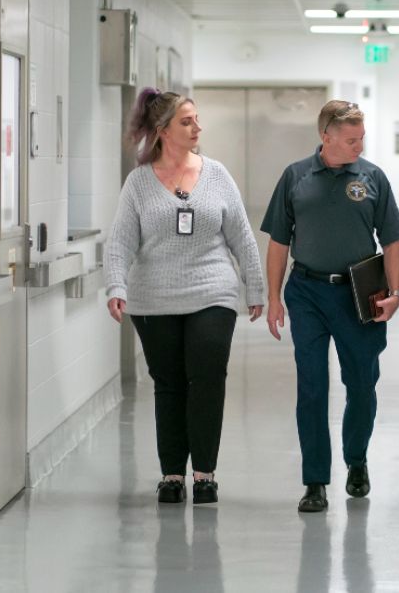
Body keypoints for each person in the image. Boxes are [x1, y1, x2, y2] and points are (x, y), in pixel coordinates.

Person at [106, 88, 265, 505]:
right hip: (154, 297)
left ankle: (205, 474)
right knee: (169, 384)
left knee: (208, 378)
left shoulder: (217, 174)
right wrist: (116, 285)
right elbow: (121, 241)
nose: (197, 127)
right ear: (162, 132)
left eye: (197, 119)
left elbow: (242, 238)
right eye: (187, 121)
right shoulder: (139, 182)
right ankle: (172, 474)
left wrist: (256, 287)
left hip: (213, 291)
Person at [261, 99, 399, 513]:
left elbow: (393, 241)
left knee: (361, 384)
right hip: (306, 291)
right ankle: (315, 481)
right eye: (350, 140)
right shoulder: (295, 177)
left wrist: (395, 293)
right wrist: (274, 297)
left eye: (361, 138)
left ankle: (356, 459)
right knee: (312, 387)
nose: (358, 146)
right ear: (325, 137)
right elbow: (278, 242)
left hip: (359, 294)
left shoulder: (373, 178)